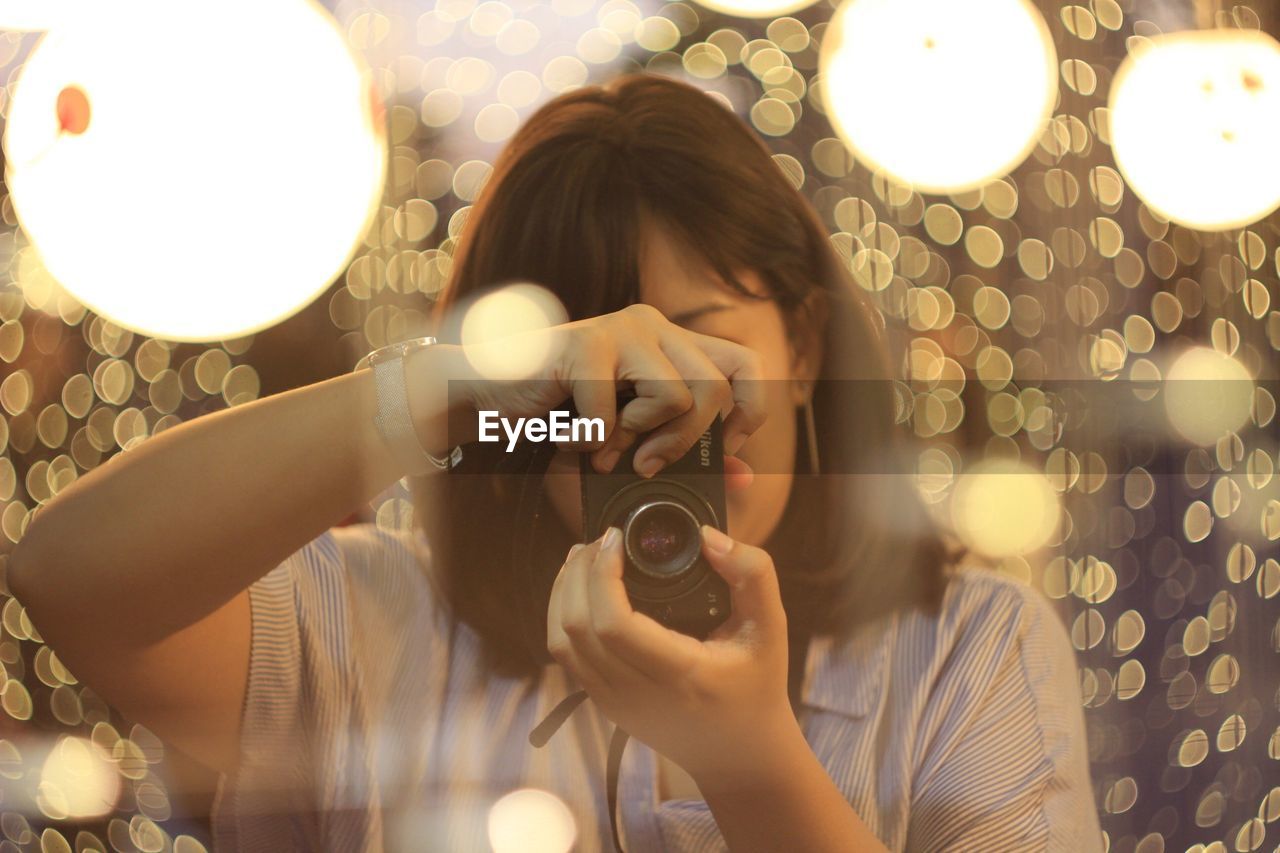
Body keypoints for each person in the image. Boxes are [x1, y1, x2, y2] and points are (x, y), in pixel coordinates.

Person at [9, 72, 1101, 852]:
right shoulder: (380, 627)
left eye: (701, 340)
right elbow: (67, 576)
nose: (660, 409)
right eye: (591, 375)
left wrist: (749, 761)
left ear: (802, 347)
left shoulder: (962, 643)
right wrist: (434, 395)